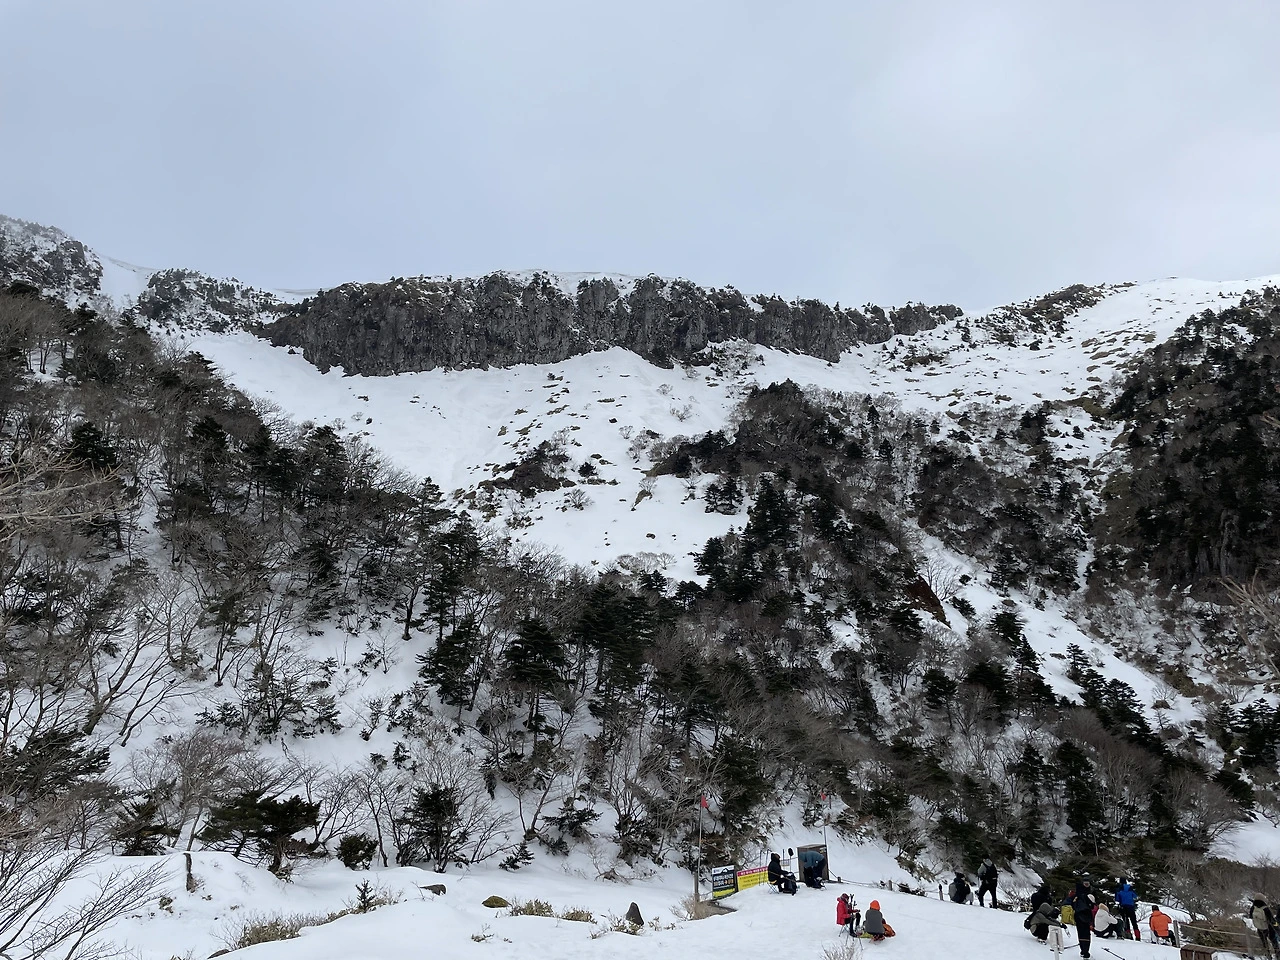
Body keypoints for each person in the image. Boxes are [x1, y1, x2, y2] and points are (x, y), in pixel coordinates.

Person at [1068, 874, 1097, 959]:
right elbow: (1092, 906)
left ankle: (1083, 951)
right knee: (1086, 934)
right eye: (1085, 883)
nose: (1087, 885)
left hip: (1078, 915)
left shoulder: (1077, 894)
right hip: (1085, 915)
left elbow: (1072, 904)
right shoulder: (1087, 894)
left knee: (1081, 933)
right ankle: (1085, 952)